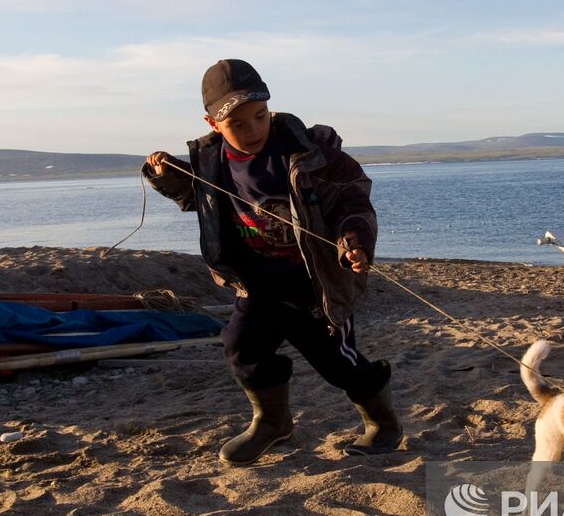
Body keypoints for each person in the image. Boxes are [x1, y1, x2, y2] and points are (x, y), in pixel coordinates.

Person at [144, 58, 402, 465]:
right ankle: (272, 422)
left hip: (313, 282)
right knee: (240, 346)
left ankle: (382, 424)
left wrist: (353, 241)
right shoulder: (211, 162)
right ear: (213, 124)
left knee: (338, 363)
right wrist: (167, 176)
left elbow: (352, 200)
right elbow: (200, 200)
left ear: (270, 109)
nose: (252, 130)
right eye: (237, 123)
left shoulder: (310, 153)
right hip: (256, 282)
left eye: (260, 116)